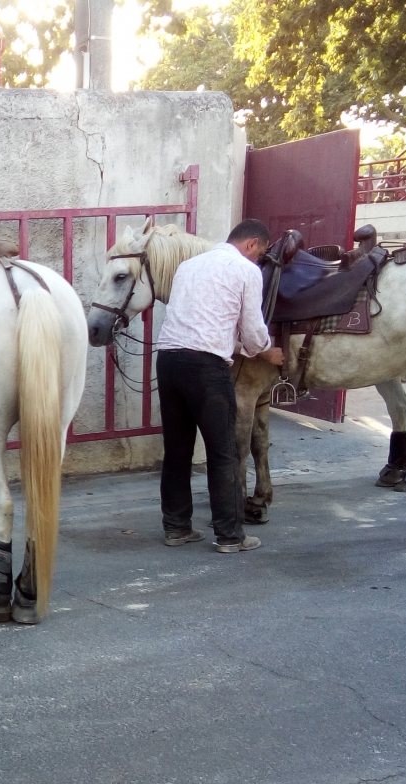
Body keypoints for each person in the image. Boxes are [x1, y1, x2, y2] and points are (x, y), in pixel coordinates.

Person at [154, 218, 285, 554]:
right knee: (223, 452)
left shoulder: (187, 266)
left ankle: (177, 528)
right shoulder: (246, 270)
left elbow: (204, 322)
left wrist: (240, 345)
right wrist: (266, 351)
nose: (258, 259)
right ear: (252, 244)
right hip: (206, 368)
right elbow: (253, 331)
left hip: (168, 360)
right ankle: (230, 536)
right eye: (260, 253)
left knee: (177, 451)